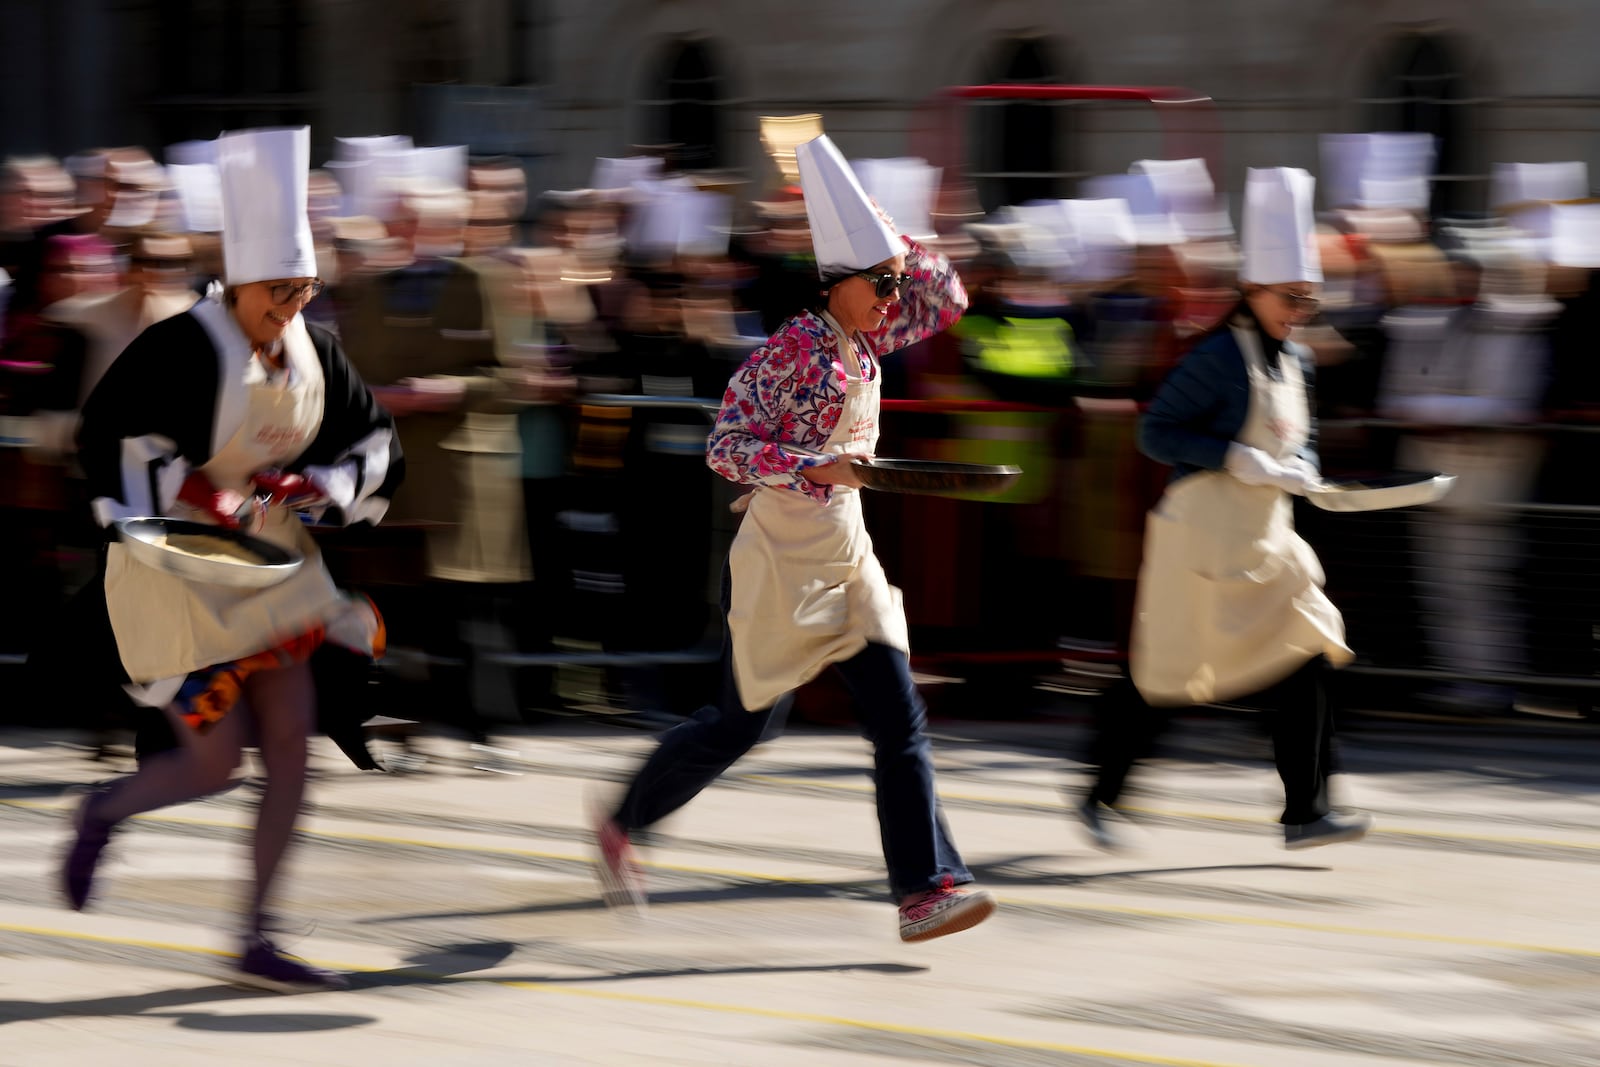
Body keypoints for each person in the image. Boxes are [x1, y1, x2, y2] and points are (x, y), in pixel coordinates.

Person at [593, 134, 995, 943]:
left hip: (847, 556)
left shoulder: (868, 338)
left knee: (899, 718)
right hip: (778, 564)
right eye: (879, 284)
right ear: (836, 282)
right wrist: (818, 466)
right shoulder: (788, 352)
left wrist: (893, 236)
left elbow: (946, 295)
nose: (893, 296)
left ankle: (926, 888)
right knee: (743, 725)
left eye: (891, 283)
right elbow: (726, 447)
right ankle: (624, 820)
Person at [57, 127, 404, 992]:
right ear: (239, 280)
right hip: (175, 563)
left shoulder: (315, 352)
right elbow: (109, 433)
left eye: (303, 291)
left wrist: (321, 482)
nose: (290, 309)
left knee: (292, 746)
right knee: (214, 764)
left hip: (269, 562)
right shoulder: (183, 343)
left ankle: (256, 932)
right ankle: (102, 810)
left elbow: (373, 436)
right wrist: (194, 490)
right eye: (276, 293)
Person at [1077, 167, 1372, 852]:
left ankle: (1306, 808)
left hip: (1268, 542)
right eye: (1290, 297)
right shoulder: (1214, 358)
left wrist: (1307, 473)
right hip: (1201, 543)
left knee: (1311, 651)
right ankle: (1103, 792)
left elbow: (1307, 440)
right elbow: (1156, 432)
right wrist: (1234, 457)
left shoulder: (1298, 359)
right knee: (1163, 673)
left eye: (1309, 299)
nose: (1300, 310)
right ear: (1253, 290)